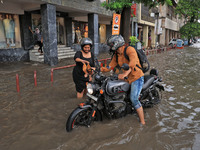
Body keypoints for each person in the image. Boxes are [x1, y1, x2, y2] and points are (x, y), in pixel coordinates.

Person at [101, 35, 145, 125]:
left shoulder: (130, 50)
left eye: (111, 44)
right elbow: (110, 66)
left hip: (136, 77)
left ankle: (142, 122)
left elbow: (133, 63)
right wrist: (100, 69)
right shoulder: (116, 55)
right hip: (126, 78)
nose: (110, 47)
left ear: (116, 43)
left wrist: (125, 73)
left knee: (134, 99)